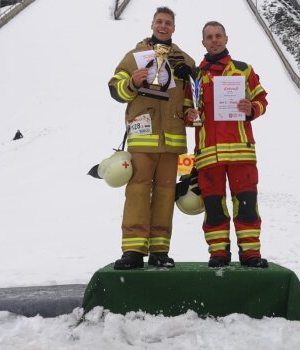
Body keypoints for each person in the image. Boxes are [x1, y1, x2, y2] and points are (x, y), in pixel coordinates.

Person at [107, 7, 195, 270]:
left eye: (168, 22)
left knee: (166, 194)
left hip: (172, 138)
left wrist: (191, 110)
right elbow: (115, 87)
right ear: (152, 24)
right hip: (143, 135)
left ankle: (159, 249)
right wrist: (132, 82)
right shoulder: (135, 56)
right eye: (160, 22)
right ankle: (133, 249)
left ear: (174, 28)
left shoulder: (183, 59)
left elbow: (194, 90)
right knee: (137, 190)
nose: (163, 26)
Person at [184, 21, 269, 268]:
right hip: (208, 155)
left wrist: (251, 109)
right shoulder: (195, 77)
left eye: (218, 35)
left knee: (246, 204)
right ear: (203, 43)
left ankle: (250, 253)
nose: (214, 40)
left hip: (241, 152)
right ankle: (218, 253)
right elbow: (188, 110)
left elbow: (262, 99)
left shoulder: (243, 70)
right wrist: (189, 116)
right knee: (214, 207)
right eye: (209, 37)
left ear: (226, 38)